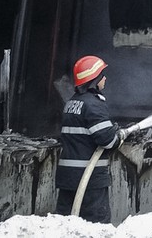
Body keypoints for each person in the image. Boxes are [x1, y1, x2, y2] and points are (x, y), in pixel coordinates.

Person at [55, 55, 122, 223]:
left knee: (64, 226)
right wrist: (119, 136)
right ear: (95, 79)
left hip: (68, 178)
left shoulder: (72, 103)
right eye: (102, 74)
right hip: (89, 179)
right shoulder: (94, 105)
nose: (105, 78)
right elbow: (108, 141)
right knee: (96, 227)